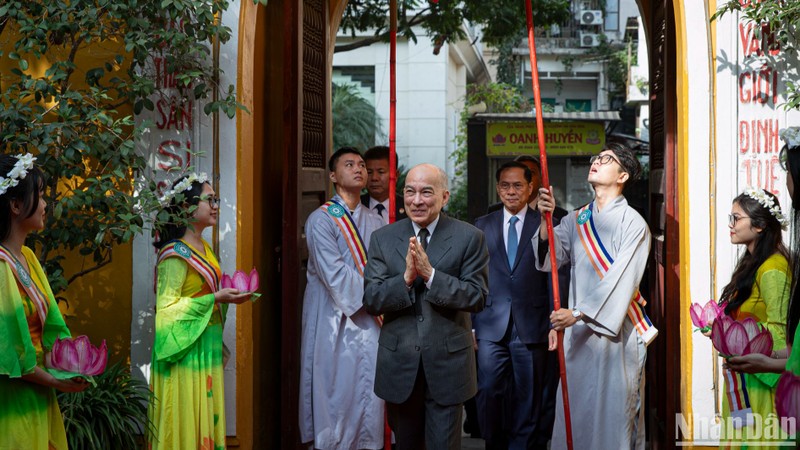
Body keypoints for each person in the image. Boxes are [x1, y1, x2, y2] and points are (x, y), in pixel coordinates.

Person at [535, 143, 655, 450]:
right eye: (596, 158)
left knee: (612, 415)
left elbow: (621, 281)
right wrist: (545, 220)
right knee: (576, 410)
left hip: (615, 331)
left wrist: (576, 313)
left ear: (623, 175)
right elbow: (552, 257)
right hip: (578, 333)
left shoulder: (634, 224)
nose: (596, 162)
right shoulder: (577, 219)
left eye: (607, 160)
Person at [363, 163, 489, 450]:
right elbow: (372, 300)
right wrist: (406, 279)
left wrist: (431, 276)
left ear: (444, 197)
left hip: (448, 364)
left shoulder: (469, 237)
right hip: (400, 365)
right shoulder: (383, 239)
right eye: (410, 192)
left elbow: (476, 296)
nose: (416, 200)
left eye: (426, 192)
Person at [148, 173, 251, 449]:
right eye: (209, 199)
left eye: (216, 199)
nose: (215, 205)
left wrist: (223, 298)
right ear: (186, 207)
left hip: (203, 344)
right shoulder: (174, 254)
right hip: (184, 351)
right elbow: (166, 311)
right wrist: (215, 297)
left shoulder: (203, 247)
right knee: (184, 418)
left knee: (203, 415)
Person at [473, 161, 568, 449]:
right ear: (498, 188)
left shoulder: (548, 223)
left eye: (517, 185)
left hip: (532, 324)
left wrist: (555, 321)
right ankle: (494, 442)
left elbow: (557, 272)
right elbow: (473, 278)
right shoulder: (482, 225)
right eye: (505, 185)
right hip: (491, 325)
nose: (511, 191)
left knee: (529, 396)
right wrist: (471, 325)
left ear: (530, 188)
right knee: (489, 391)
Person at [0, 153, 89, 450]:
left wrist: (71, 365)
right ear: (15, 205)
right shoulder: (1, 268)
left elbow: (51, 327)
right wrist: (58, 381)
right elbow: (12, 352)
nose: (45, 204)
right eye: (38, 196)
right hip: (12, 402)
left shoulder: (27, 259)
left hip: (39, 394)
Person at [299, 147, 385, 449]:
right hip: (333, 318)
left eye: (362, 164)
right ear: (333, 176)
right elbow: (334, 273)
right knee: (335, 389)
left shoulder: (376, 221)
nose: (359, 169)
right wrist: (380, 294)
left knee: (369, 392)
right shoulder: (321, 220)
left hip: (371, 319)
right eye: (350, 164)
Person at [712, 187, 791, 445]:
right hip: (747, 372)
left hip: (762, 379)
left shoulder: (772, 269)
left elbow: (780, 332)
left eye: (736, 218)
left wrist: (739, 336)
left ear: (758, 226)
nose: (731, 225)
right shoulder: (753, 261)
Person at [361, 145, 407, 224]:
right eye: (369, 172)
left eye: (381, 172)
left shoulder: (407, 207)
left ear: (396, 175)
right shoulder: (356, 206)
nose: (374, 178)